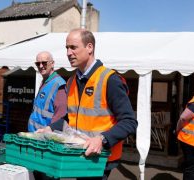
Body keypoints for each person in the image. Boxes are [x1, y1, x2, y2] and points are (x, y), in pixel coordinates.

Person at [37, 28, 138, 180]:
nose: (68, 53)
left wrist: (102, 139)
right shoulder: (71, 82)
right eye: (67, 48)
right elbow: (70, 117)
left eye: (73, 47)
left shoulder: (109, 79)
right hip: (79, 156)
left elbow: (130, 121)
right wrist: (50, 128)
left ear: (89, 47)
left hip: (101, 158)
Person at [27, 51, 67, 132]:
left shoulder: (59, 84)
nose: (41, 66)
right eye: (38, 63)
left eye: (44, 63)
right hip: (35, 136)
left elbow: (60, 116)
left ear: (52, 63)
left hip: (45, 140)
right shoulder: (45, 81)